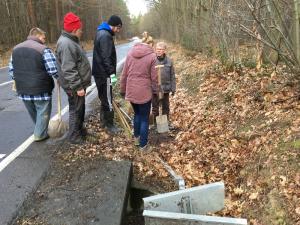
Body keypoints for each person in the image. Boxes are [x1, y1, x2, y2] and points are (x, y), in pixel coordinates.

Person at [9, 27, 58, 142]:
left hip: (23, 90)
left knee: (35, 113)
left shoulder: (15, 49)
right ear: (37, 35)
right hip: (41, 88)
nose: (44, 40)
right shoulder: (43, 49)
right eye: (43, 37)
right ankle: (40, 135)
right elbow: (53, 69)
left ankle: (40, 130)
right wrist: (59, 78)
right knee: (42, 111)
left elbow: (11, 70)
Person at [56, 12, 91, 144]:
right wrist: (78, 87)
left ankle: (79, 130)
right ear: (74, 29)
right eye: (80, 29)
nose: (82, 31)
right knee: (76, 110)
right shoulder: (66, 44)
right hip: (75, 86)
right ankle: (74, 136)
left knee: (79, 108)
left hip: (76, 84)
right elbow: (69, 68)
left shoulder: (70, 41)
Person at [120, 36, 158, 150]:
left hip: (131, 90)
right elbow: (155, 77)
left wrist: (123, 90)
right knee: (144, 118)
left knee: (137, 115)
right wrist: (156, 91)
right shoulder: (152, 56)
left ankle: (136, 139)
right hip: (144, 92)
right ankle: (143, 145)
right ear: (149, 46)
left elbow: (124, 74)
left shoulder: (130, 54)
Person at [92, 15, 122, 134]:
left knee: (104, 97)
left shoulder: (101, 32)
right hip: (105, 74)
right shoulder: (106, 36)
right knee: (108, 99)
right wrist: (112, 75)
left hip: (99, 73)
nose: (118, 31)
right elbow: (106, 58)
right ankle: (110, 125)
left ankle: (103, 121)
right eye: (118, 28)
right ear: (115, 26)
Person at [152, 41, 176, 128]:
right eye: (157, 49)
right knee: (155, 107)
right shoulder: (152, 60)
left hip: (166, 88)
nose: (159, 51)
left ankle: (166, 123)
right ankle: (155, 124)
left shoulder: (169, 61)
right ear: (155, 50)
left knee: (166, 107)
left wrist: (173, 88)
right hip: (155, 88)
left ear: (164, 51)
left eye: (161, 49)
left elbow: (172, 75)